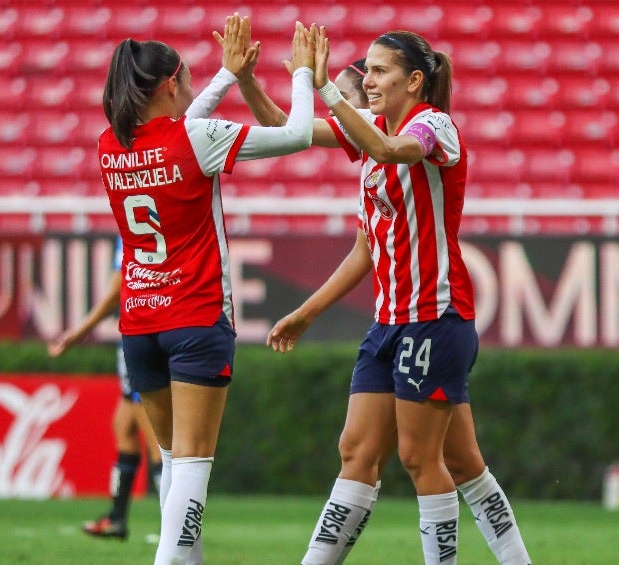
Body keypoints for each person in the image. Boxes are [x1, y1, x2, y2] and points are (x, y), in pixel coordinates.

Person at [247, 29, 531, 564]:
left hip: (434, 318)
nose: (370, 80)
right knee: (375, 452)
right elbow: (286, 134)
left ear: (415, 80)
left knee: (420, 459)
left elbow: (389, 149)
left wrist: (329, 86)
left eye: (380, 71)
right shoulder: (373, 130)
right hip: (387, 323)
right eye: (368, 71)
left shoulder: (433, 125)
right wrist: (244, 78)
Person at [97, 16, 317, 564]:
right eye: (190, 80)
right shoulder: (192, 138)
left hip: (141, 321)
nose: (195, 89)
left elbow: (179, 132)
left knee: (174, 461)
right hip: (195, 317)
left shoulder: (109, 145)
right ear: (171, 86)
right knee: (193, 465)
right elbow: (295, 135)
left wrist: (224, 77)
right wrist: (305, 78)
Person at [48, 237, 163, 541]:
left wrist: (79, 331)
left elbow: (117, 290)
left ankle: (175, 527)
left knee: (156, 437)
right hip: (156, 329)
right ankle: (117, 518)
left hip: (142, 332)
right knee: (123, 424)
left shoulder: (131, 224)